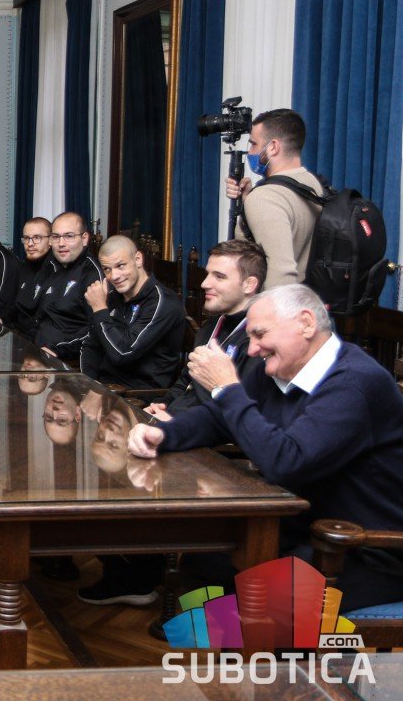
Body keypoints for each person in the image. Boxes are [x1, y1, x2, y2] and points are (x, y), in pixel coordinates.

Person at [129, 284, 403, 611]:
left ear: (306, 323)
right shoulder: (279, 371)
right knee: (206, 559)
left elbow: (287, 462)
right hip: (301, 523)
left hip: (363, 548)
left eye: (259, 335)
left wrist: (227, 387)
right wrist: (164, 434)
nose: (253, 350)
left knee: (258, 598)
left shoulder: (354, 382)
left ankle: (257, 644)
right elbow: (219, 419)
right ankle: (225, 643)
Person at [145, 240, 266, 420]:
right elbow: (186, 381)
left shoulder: (258, 341)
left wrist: (176, 424)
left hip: (199, 432)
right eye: (207, 274)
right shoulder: (211, 326)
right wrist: (163, 403)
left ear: (249, 284)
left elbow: (241, 416)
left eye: (219, 277)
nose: (204, 283)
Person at [227, 109, 324, 289]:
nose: (250, 152)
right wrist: (248, 200)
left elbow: (280, 276)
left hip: (276, 302)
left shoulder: (265, 198)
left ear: (273, 147)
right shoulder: (315, 185)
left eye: (254, 144)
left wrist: (256, 200)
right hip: (307, 296)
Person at [80, 235, 185, 390]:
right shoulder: (113, 296)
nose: (114, 276)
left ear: (138, 259)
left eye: (121, 266)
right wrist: (87, 386)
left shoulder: (163, 302)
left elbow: (123, 354)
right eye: (107, 269)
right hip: (104, 388)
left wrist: (100, 309)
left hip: (138, 394)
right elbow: (91, 346)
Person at [32, 212, 104, 363]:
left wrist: (57, 351)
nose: (61, 243)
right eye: (56, 237)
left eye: (69, 236)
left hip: (66, 363)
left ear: (84, 238)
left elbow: (97, 331)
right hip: (37, 353)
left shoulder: (92, 275)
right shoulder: (51, 266)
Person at [14, 216, 56, 341]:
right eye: (26, 238)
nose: (30, 244)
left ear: (50, 240)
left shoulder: (55, 270)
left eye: (37, 238)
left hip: (40, 342)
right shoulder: (23, 267)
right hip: (19, 336)